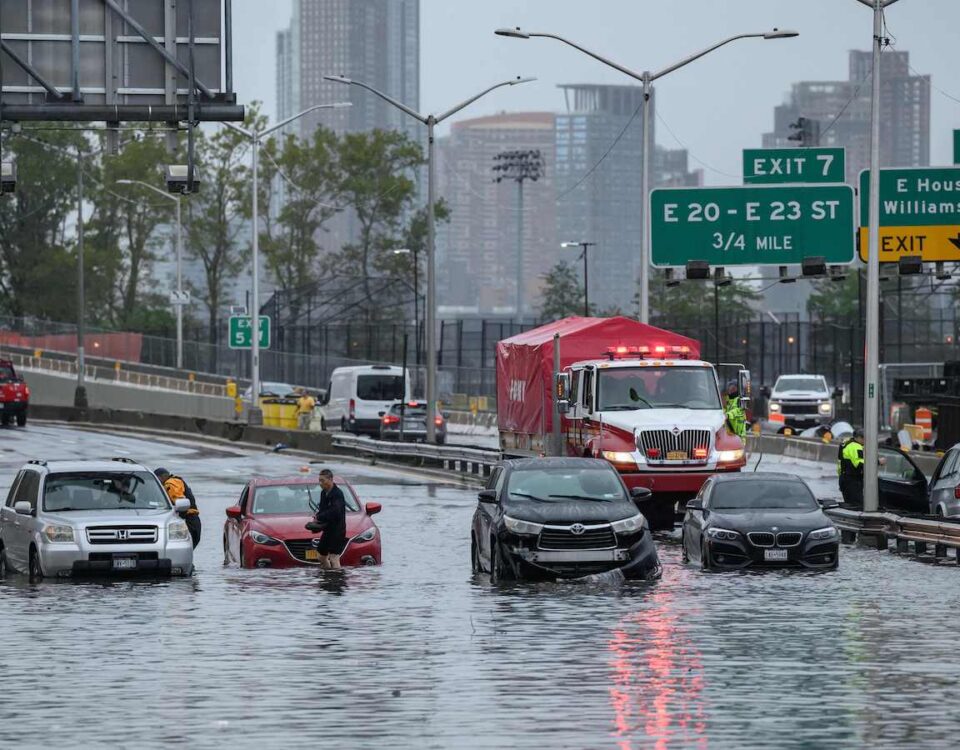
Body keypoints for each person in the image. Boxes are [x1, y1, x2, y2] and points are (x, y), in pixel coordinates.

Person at [305, 469, 347, 570]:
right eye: (319, 480)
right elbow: (323, 510)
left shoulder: (337, 494)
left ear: (330, 479)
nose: (320, 483)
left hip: (338, 531)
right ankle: (327, 577)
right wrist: (317, 519)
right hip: (328, 530)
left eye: (322, 480)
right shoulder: (323, 493)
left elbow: (335, 512)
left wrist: (320, 517)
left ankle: (337, 582)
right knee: (321, 556)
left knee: (334, 558)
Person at [155, 468, 201, 548]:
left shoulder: (170, 483)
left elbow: (179, 501)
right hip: (193, 520)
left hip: (188, 521)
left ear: (161, 477)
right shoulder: (177, 481)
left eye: (157, 480)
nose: (157, 484)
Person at [837, 430, 865, 506]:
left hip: (843, 478)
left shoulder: (845, 444)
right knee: (858, 505)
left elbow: (840, 464)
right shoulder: (856, 447)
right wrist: (878, 462)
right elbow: (860, 464)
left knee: (849, 505)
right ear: (859, 438)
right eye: (865, 439)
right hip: (853, 480)